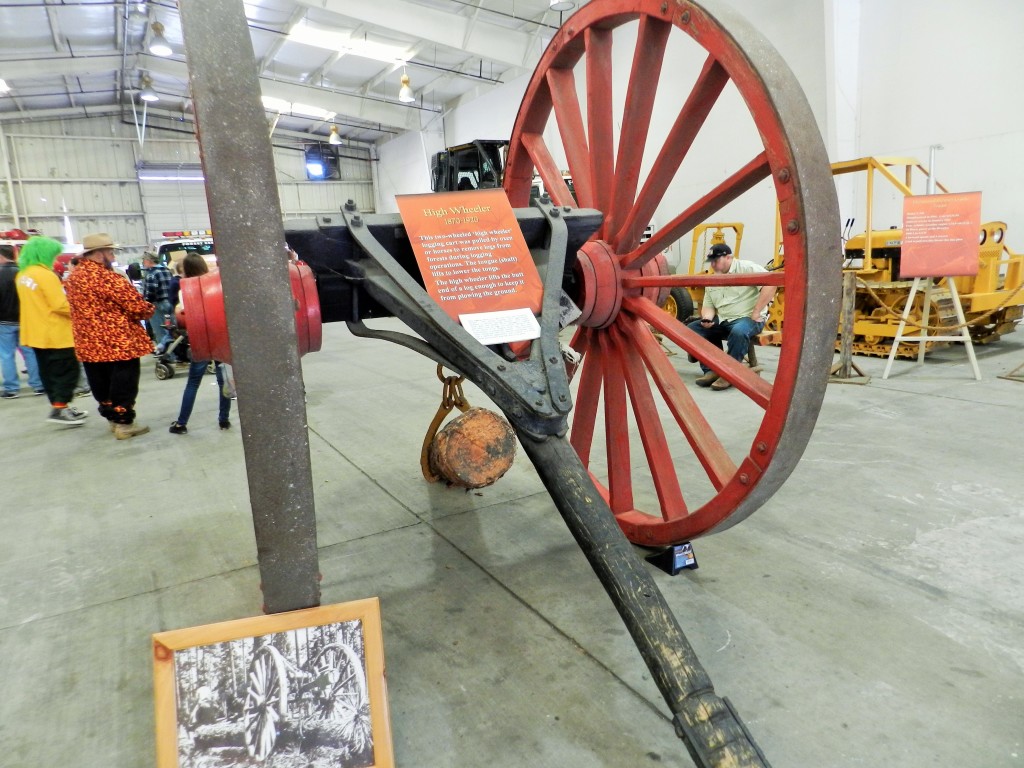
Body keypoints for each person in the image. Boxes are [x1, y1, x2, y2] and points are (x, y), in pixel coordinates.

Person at [64, 233, 155, 439]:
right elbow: (137, 307)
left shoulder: (73, 279)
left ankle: (113, 421)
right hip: (118, 342)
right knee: (124, 382)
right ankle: (124, 425)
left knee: (100, 383)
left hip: (88, 342)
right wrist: (149, 309)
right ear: (98, 254)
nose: (113, 256)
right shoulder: (108, 278)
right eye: (110, 252)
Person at [14, 237, 88, 425]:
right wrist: (83, 311)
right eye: (54, 255)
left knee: (48, 373)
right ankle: (60, 408)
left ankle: (59, 406)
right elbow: (59, 305)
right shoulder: (45, 275)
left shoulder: (22, 275)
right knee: (67, 371)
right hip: (56, 333)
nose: (55, 259)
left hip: (35, 333)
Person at [687, 243, 776, 391]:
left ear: (729, 257)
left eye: (716, 260)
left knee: (739, 331)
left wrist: (756, 311)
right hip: (724, 319)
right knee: (693, 329)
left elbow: (771, 283)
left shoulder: (747, 268)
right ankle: (711, 369)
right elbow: (709, 306)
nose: (713, 264)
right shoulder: (713, 280)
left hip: (748, 318)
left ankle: (729, 374)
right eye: (712, 261)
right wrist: (707, 318)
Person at [168, 253, 231, 435]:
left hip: (199, 337)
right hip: (220, 335)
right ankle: (224, 420)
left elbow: (182, 314)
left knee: (193, 382)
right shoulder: (218, 284)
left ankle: (181, 423)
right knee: (223, 381)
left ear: (186, 270)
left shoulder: (186, 289)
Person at [0, 243, 45, 399]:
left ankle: (12, 388)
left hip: (4, 322)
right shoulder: (25, 274)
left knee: (6, 355)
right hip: (25, 320)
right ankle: (38, 385)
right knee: (30, 353)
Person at [142, 253, 174, 353]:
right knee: (171, 330)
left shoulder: (151, 273)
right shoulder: (167, 270)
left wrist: (146, 303)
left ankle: (166, 355)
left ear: (148, 261)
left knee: (159, 330)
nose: (143, 263)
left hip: (157, 304)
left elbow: (151, 291)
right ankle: (176, 353)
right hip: (169, 303)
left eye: (144, 261)